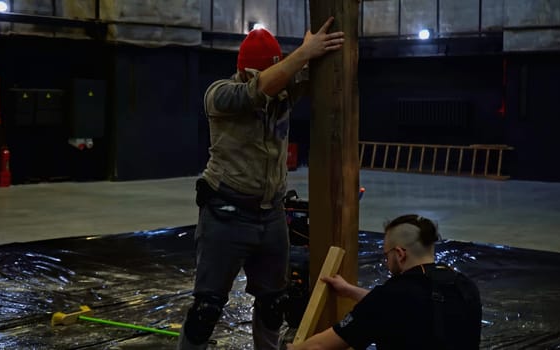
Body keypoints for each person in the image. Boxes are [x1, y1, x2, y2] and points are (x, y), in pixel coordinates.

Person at [176, 17, 345, 350]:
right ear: (244, 71)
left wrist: (313, 54)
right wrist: (303, 53)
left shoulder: (282, 92)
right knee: (206, 310)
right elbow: (257, 91)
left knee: (273, 304)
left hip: (270, 216)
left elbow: (307, 76)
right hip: (226, 214)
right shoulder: (221, 95)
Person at [287, 214, 482, 350]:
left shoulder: (391, 295)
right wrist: (349, 290)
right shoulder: (465, 286)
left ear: (399, 253)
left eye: (386, 255)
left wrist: (294, 348)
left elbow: (320, 346)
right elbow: (411, 307)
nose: (386, 261)